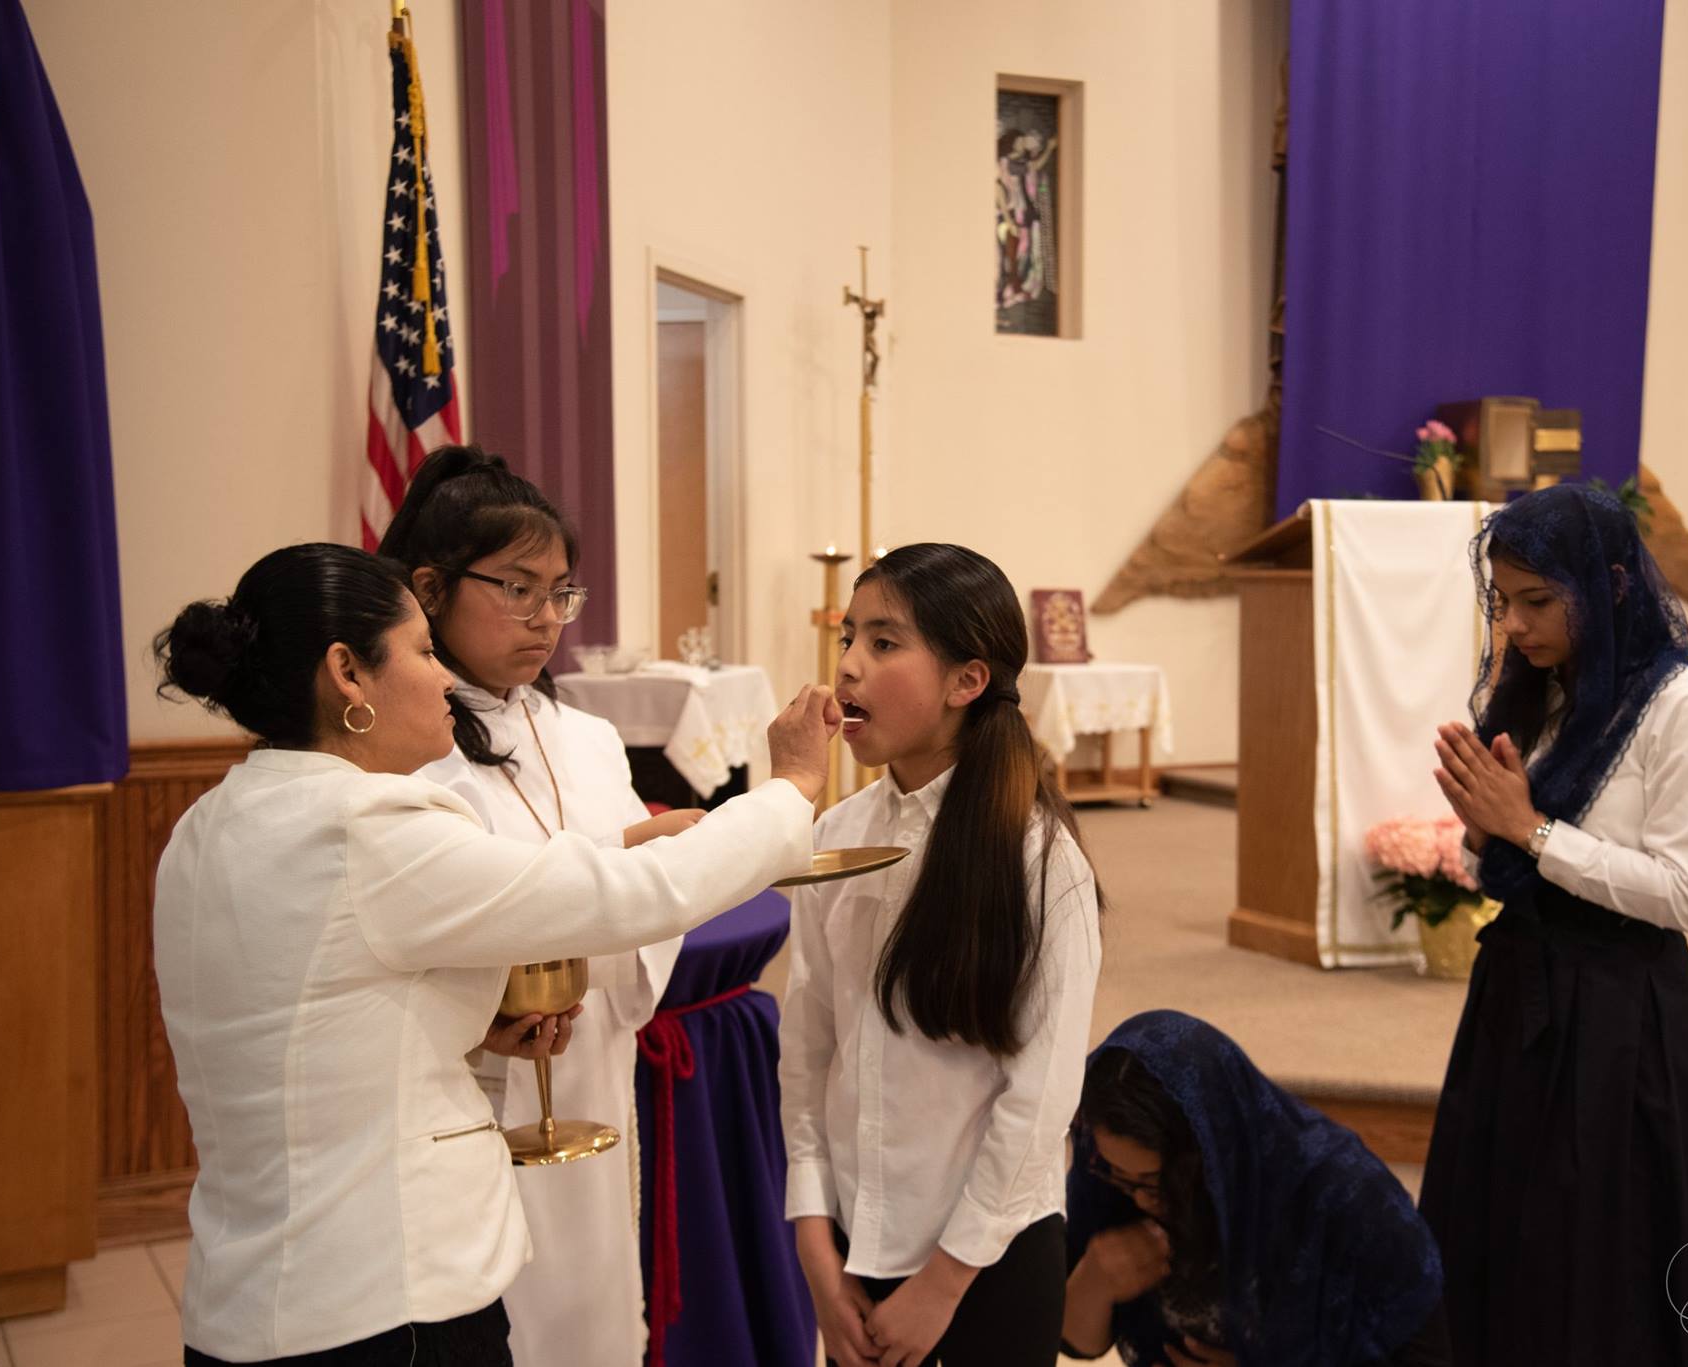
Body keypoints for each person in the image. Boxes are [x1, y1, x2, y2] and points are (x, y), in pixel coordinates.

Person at [152, 541, 838, 1366]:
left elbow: (299, 1016)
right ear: (347, 672)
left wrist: (468, 1028)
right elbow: (629, 896)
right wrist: (790, 788)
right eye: (421, 650)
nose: (444, 677)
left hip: (248, 1295)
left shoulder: (209, 824)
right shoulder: (365, 827)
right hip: (387, 1304)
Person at [1421, 484, 1688, 1366]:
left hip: (1619, 1009)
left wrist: (1531, 830)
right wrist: (1487, 833)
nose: (1515, 626)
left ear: (1610, 584)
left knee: (1603, 1246)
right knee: (1503, 1230)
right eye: (1504, 602)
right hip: (1517, 989)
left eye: (1537, 600)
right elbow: (1507, 863)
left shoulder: (1687, 709)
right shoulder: (1543, 694)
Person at [376, 446, 689, 1367]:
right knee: (503, 1314)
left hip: (590, 1061)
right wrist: (624, 857)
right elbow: (439, 903)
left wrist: (647, 865)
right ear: (430, 589)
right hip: (477, 1082)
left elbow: (642, 911)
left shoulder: (587, 735)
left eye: (561, 593)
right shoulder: (406, 745)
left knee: (595, 1308)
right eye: (518, 589)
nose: (548, 618)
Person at [778, 543, 1104, 1367]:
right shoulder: (835, 836)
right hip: (854, 1241)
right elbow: (809, 1048)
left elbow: (1041, 1096)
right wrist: (814, 1239)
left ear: (967, 680)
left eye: (884, 642)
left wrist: (945, 1281)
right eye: (849, 637)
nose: (848, 665)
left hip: (988, 1255)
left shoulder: (1038, 858)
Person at [1060, 1011, 1449, 1367]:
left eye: (1157, 1182)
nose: (1142, 1200)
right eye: (1121, 1176)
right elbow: (1076, 1343)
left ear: (1213, 1153)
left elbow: (1427, 1357)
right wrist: (1095, 1280)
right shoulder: (1107, 1171)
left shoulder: (1349, 1201)